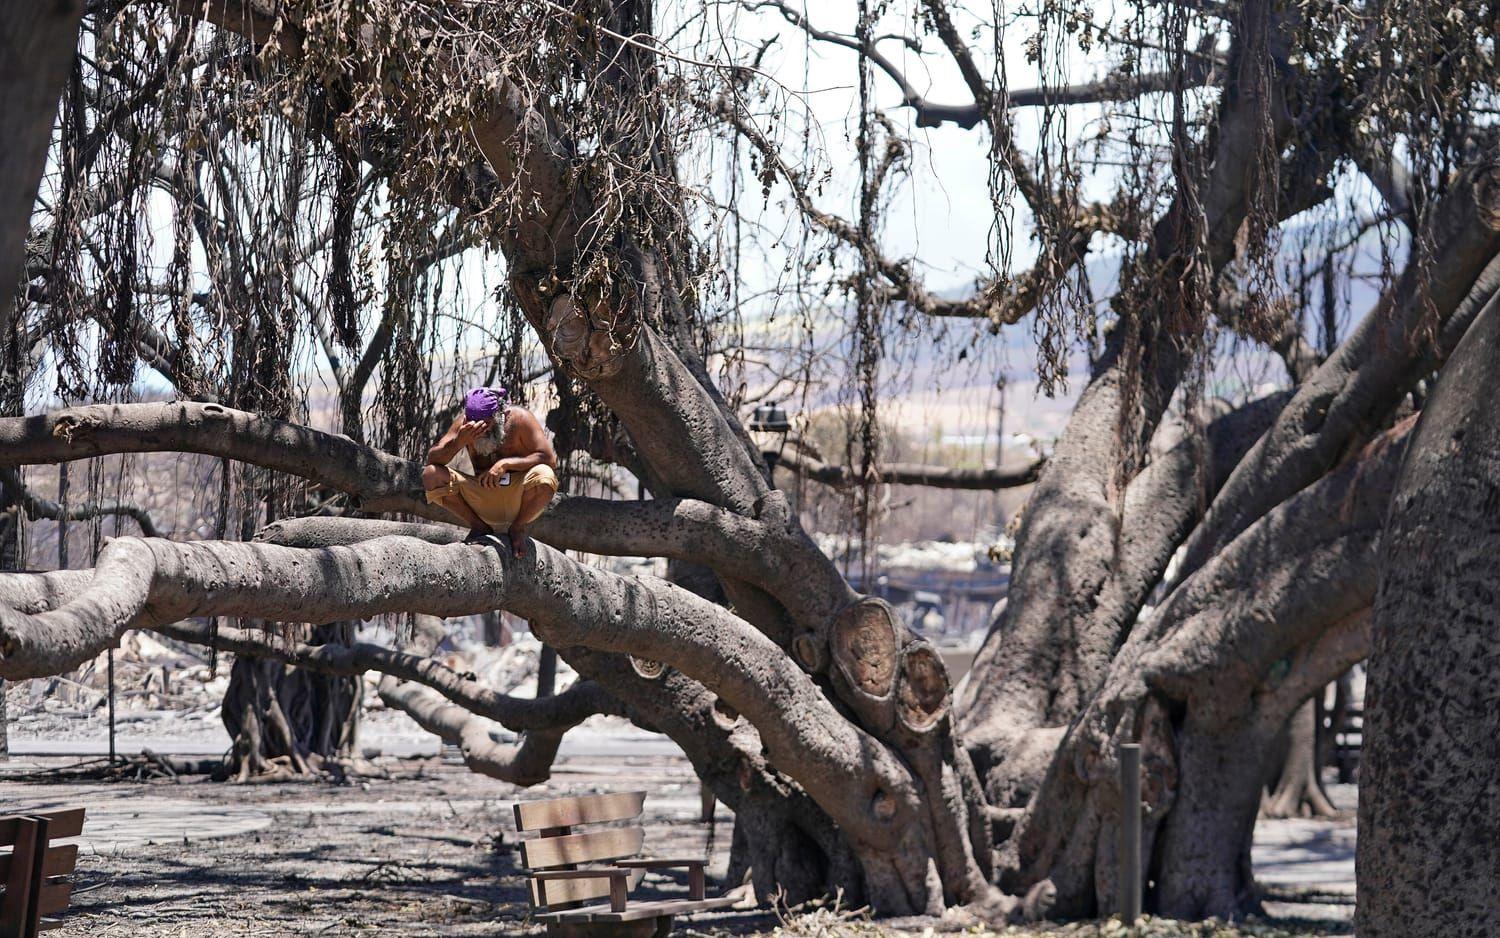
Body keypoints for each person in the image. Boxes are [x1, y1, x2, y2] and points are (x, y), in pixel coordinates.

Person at [422, 387, 558, 557]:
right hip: (482, 497)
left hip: (519, 498)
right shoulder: (465, 426)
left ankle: (517, 528)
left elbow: (549, 459)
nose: (481, 430)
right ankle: (478, 526)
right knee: (431, 474)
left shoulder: (519, 420)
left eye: (486, 423)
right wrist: (458, 442)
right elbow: (432, 459)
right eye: (475, 423)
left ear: (499, 414)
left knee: (545, 475)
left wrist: (506, 464)